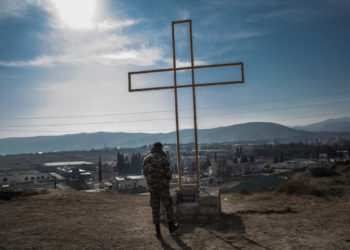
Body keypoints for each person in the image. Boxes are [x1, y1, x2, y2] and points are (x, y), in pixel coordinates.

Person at [143, 142, 179, 238]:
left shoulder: (146, 159)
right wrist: (166, 181)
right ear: (160, 148)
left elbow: (145, 174)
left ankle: (158, 232)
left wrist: (151, 183)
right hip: (163, 187)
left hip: (152, 188)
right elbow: (168, 173)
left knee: (155, 208)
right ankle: (172, 229)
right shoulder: (163, 158)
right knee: (168, 207)